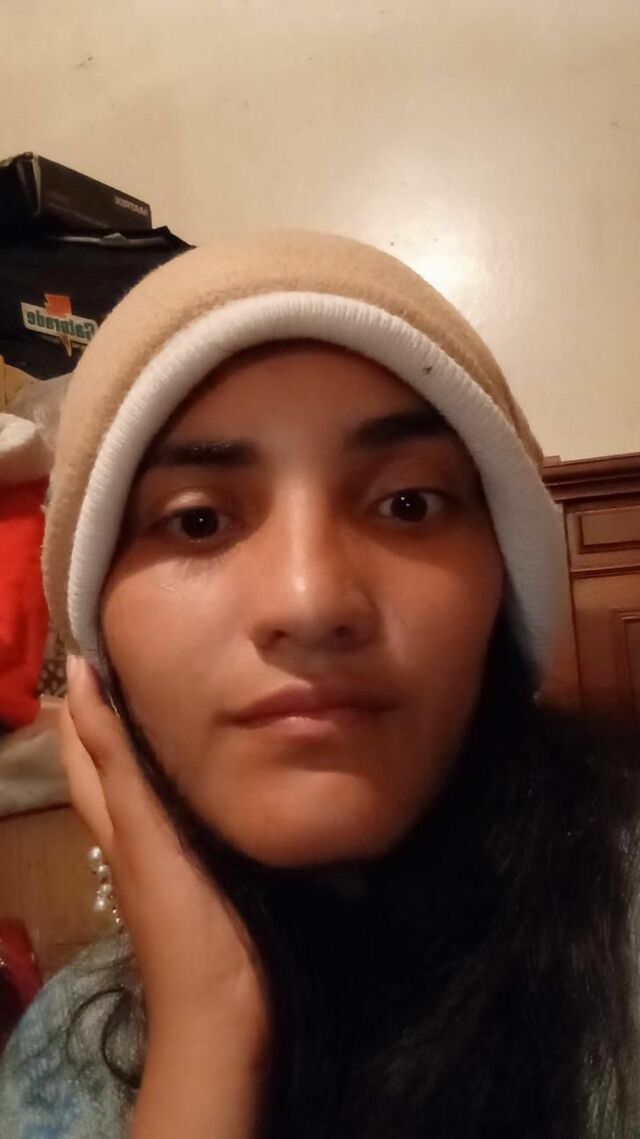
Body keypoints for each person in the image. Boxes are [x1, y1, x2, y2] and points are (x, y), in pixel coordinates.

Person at [1, 230, 639, 1139]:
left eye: (408, 503)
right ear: (99, 658)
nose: (310, 601)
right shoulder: (65, 1058)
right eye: (197, 520)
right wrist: (206, 1031)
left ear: (505, 592)